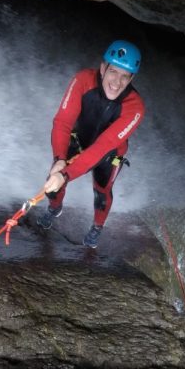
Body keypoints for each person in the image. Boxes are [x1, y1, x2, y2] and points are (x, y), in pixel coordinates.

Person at [37, 39, 145, 248]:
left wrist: (66, 173)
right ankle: (54, 208)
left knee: (102, 191)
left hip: (109, 152)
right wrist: (60, 161)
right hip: (78, 140)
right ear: (103, 67)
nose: (117, 82)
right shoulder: (83, 80)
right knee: (54, 181)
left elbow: (103, 146)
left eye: (125, 76)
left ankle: (96, 228)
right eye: (114, 71)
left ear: (131, 78)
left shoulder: (135, 108)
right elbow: (63, 122)